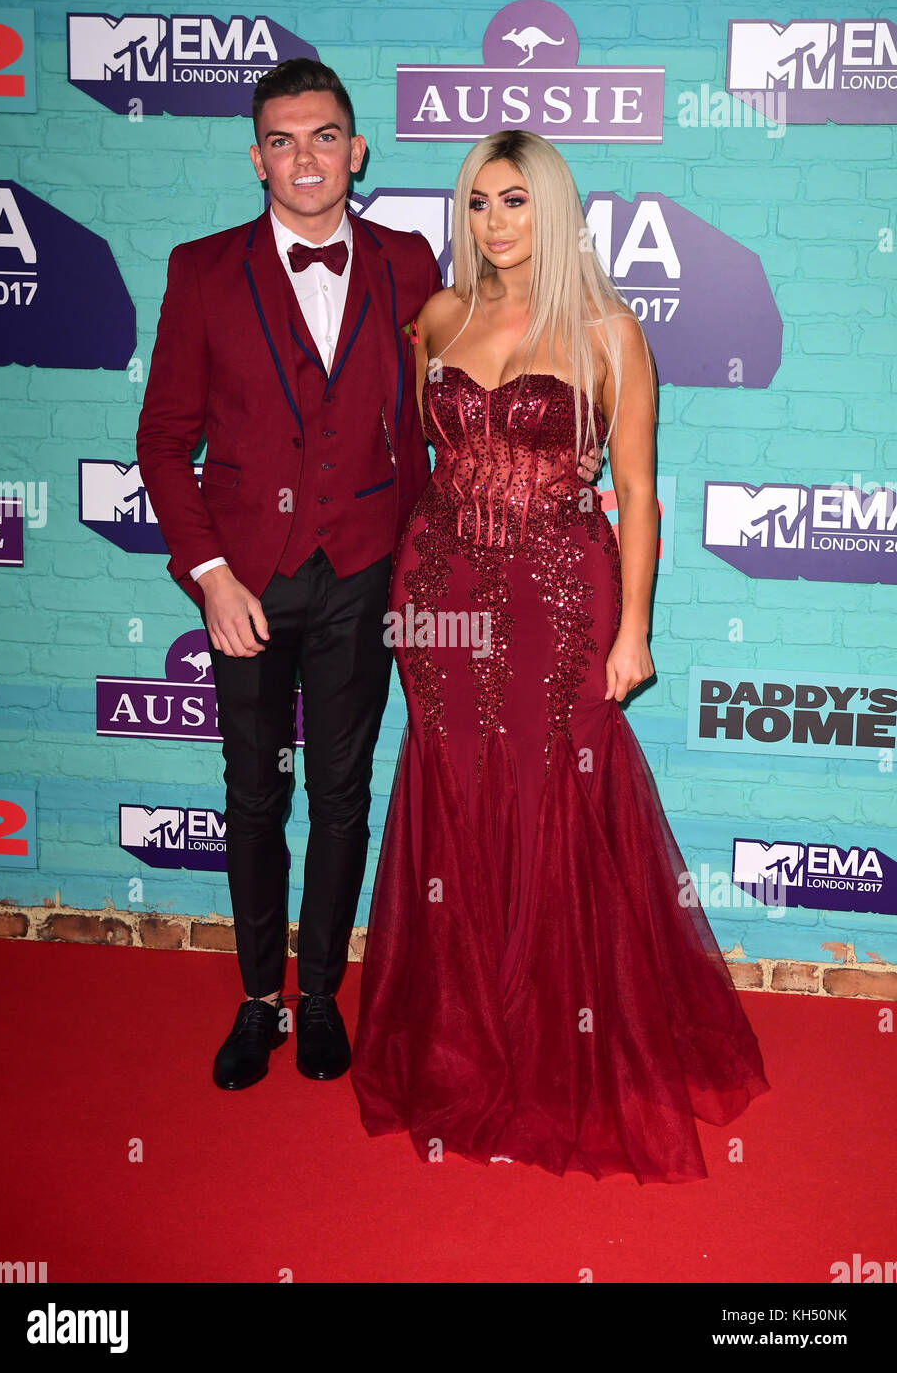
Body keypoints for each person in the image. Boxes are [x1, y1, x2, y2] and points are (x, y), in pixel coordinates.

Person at [350, 129, 770, 1182]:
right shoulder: (438, 316)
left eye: (515, 201)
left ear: (554, 208)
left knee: (553, 793)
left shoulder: (607, 330)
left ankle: (555, 1057)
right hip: (438, 589)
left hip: (559, 593)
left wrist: (634, 629)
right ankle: (461, 1049)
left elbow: (636, 493)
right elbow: (418, 461)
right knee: (453, 788)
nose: (495, 223)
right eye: (478, 202)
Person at [136, 59, 443, 1089]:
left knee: (343, 793)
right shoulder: (201, 270)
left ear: (356, 152)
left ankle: (318, 998)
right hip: (248, 584)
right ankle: (258, 1000)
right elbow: (163, 438)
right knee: (255, 795)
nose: (304, 158)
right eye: (282, 140)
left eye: (323, 136)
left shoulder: (410, 262)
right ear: (256, 158)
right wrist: (212, 575)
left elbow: (453, 397)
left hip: (364, 573)